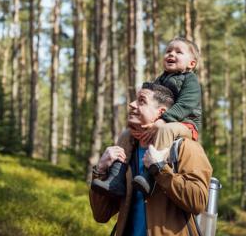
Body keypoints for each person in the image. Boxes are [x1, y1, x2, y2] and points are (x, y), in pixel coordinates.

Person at [89, 83, 212, 236]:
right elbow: (101, 215)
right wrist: (100, 170)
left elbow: (198, 202)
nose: (132, 105)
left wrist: (160, 169)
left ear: (161, 113)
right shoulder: (126, 151)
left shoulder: (185, 147)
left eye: (141, 101)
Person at [91, 37, 202, 196]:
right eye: (168, 51)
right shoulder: (161, 79)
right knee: (127, 134)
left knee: (166, 129)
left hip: (186, 124)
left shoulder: (190, 80)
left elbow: (186, 104)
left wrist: (163, 120)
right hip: (165, 121)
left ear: (191, 64)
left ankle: (149, 177)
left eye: (178, 52)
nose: (171, 54)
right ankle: (116, 177)